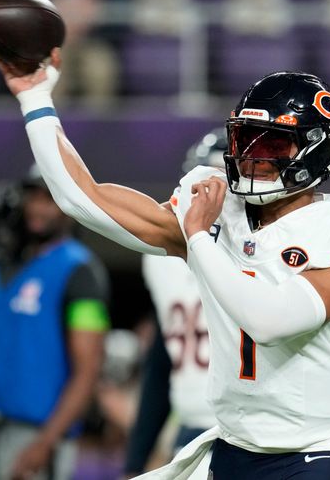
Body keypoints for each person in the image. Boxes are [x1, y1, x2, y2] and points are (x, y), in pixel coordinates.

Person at [0, 49, 330, 479]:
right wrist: (35, 98)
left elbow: (272, 320)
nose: (253, 157)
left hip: (311, 454)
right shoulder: (217, 205)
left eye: (273, 143)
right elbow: (84, 198)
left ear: (316, 149)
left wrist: (199, 238)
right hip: (231, 446)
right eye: (246, 139)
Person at [0, 168, 111, 480]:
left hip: (37, 434)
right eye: (34, 197)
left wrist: (46, 442)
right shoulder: (1, 267)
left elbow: (88, 371)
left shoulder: (80, 271)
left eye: (50, 199)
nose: (38, 207)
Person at [123, 129, 225, 478]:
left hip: (250, 430)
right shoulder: (162, 259)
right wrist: (136, 459)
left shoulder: (265, 250)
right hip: (191, 430)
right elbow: (161, 359)